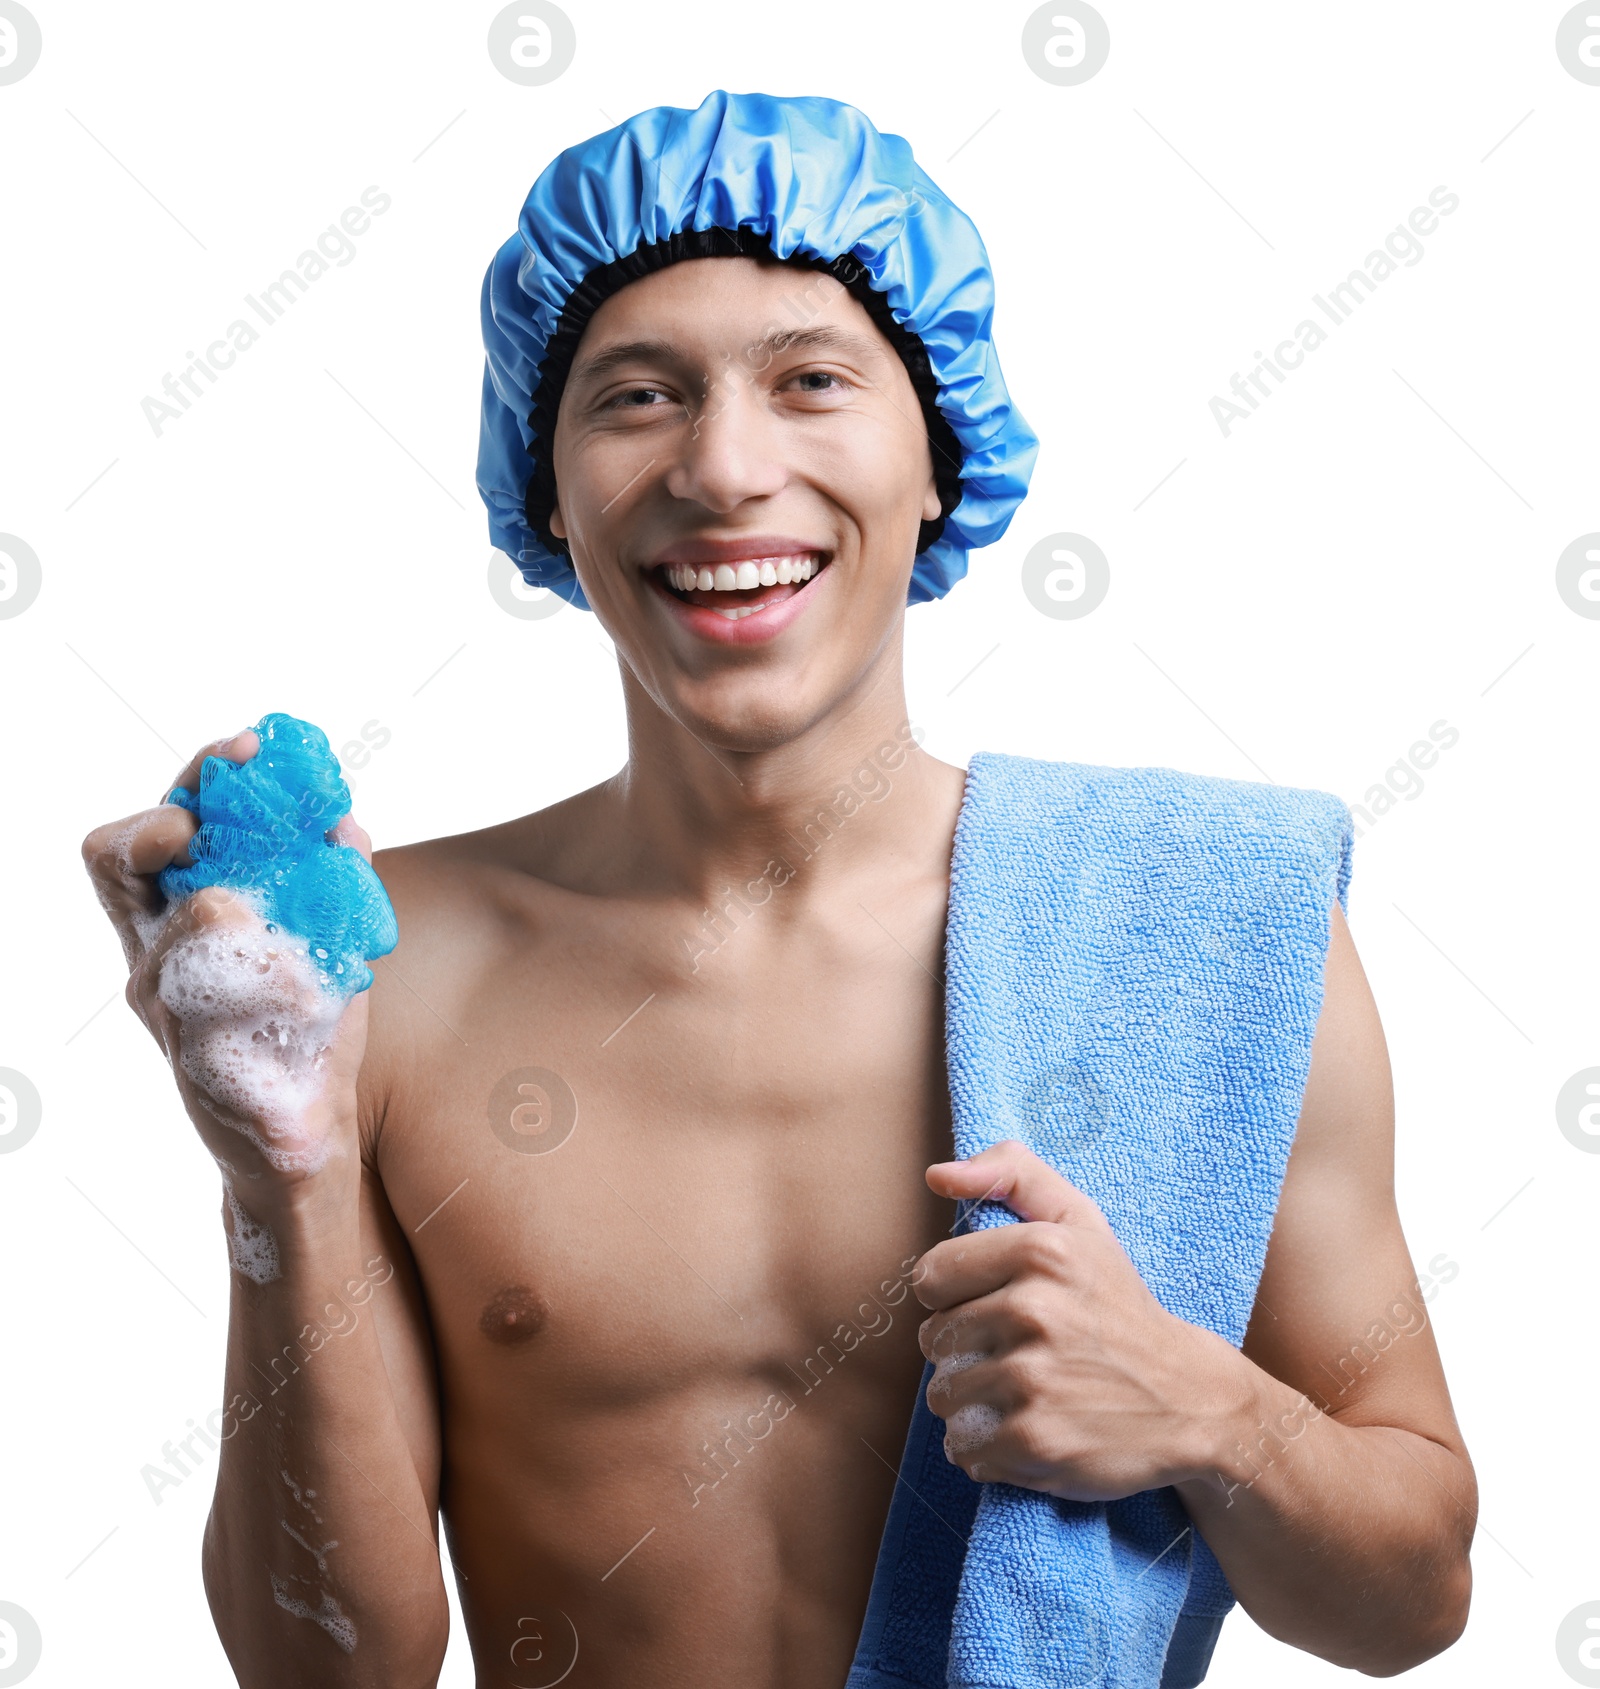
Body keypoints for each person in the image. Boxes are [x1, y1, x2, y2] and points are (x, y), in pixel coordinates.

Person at [81, 91, 1474, 1689]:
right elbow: (328, 1675)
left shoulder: (1215, 928)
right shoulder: (390, 972)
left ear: (938, 455)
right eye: (636, 397)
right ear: (546, 493)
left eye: (812, 381)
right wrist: (284, 1181)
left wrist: (1205, 1406)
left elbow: (1412, 1596)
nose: (726, 468)